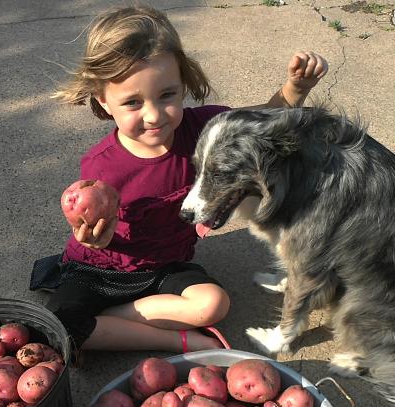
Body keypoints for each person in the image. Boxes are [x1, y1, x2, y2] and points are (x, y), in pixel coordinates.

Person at [30, 4, 328, 356]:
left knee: (214, 304)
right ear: (104, 101)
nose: (154, 115)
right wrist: (96, 239)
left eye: (167, 95)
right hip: (99, 272)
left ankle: (108, 320)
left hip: (164, 268)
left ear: (183, 84)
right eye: (132, 102)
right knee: (57, 325)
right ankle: (176, 341)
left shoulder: (205, 129)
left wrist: (295, 89)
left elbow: (260, 125)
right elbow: (95, 231)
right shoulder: (101, 167)